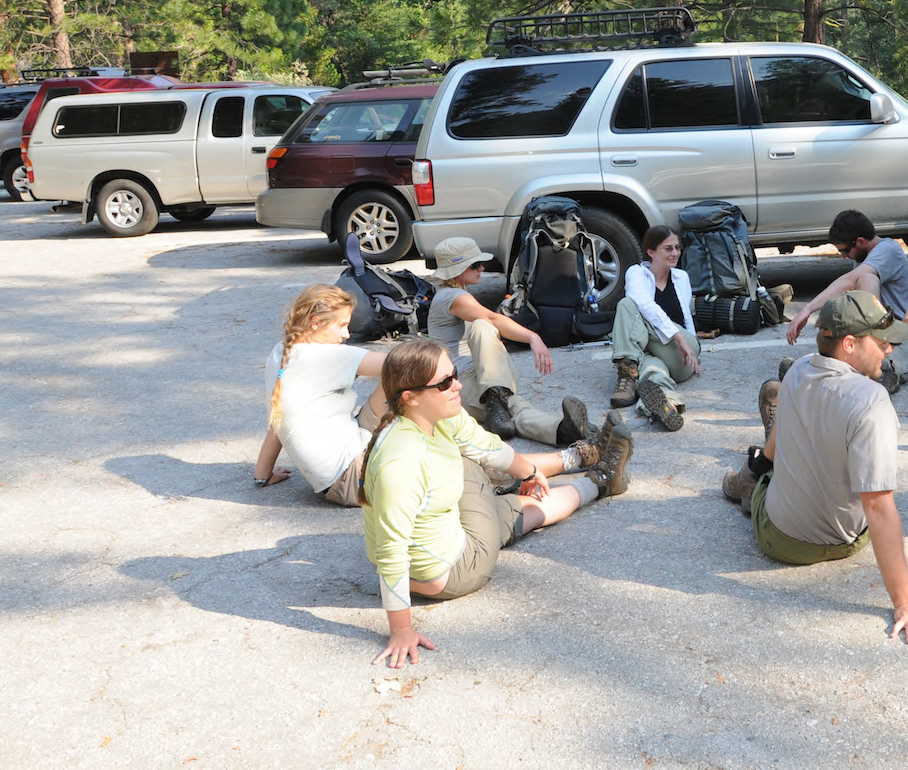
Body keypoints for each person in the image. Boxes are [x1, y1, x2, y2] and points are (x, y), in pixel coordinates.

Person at [362, 338, 633, 668]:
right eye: (445, 382)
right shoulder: (401, 461)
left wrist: (530, 472)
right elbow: (391, 552)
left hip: (447, 535)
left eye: (454, 374)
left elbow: (488, 445)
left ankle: (598, 479)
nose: (458, 385)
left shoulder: (433, 417)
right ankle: (590, 465)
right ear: (410, 397)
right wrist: (402, 629)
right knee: (480, 472)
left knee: (516, 504)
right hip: (455, 569)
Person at [741, 290, 908, 646]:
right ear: (850, 344)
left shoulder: (799, 368)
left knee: (770, 464)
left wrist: (762, 466)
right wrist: (907, 602)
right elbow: (878, 507)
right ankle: (751, 478)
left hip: (780, 538)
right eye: (882, 342)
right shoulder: (873, 403)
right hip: (845, 540)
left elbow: (776, 452)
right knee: (799, 458)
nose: (889, 349)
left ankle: (749, 478)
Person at [427, 236, 596, 447]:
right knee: (483, 326)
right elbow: (492, 319)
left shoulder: (455, 293)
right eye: (475, 265)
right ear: (458, 270)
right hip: (456, 382)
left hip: (476, 378)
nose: (482, 268)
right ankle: (498, 399)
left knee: (513, 407)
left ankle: (561, 431)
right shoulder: (452, 297)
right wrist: (533, 337)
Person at [251, 284, 386, 505]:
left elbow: (278, 420)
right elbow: (405, 365)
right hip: (354, 480)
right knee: (410, 380)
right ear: (316, 323)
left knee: (400, 381)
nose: (347, 334)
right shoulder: (326, 356)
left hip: (338, 481)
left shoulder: (281, 352)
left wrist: (262, 475)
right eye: (341, 325)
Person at [783, 210, 908, 393]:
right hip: (873, 338)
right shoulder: (864, 258)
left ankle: (882, 373)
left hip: (905, 336)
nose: (843, 256)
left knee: (866, 278)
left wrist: (807, 309)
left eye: (844, 250)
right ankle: (820, 370)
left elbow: (849, 280)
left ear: (860, 241)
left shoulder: (888, 250)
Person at [607, 225, 700, 432]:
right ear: (651, 252)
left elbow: (654, 310)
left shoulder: (681, 277)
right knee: (652, 371)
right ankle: (667, 405)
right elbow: (644, 303)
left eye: (677, 247)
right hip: (654, 350)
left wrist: (682, 339)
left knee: (628, 305)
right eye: (668, 248)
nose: (675, 253)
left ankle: (626, 369)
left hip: (681, 351)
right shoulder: (637, 273)